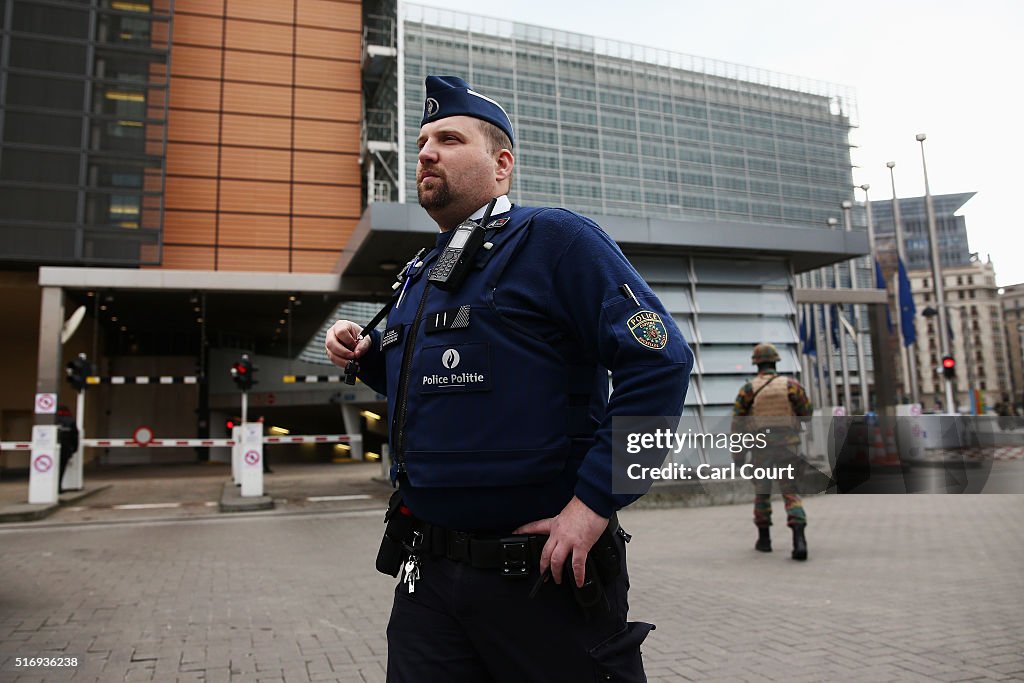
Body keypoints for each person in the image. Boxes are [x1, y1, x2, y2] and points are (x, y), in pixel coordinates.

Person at [325, 75, 693, 682]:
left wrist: (596, 503)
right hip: (430, 581)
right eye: (421, 142)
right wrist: (363, 354)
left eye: (448, 138)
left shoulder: (555, 241)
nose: (426, 152)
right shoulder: (422, 272)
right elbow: (432, 386)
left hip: (542, 579)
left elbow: (662, 361)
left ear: (501, 165)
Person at [731, 343, 812, 560]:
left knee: (762, 492)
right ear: (776, 361)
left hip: (761, 448)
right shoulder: (791, 385)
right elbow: (806, 413)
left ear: (756, 363)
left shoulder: (748, 389)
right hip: (788, 446)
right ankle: (799, 540)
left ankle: (764, 540)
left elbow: (738, 424)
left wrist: (738, 456)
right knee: (790, 491)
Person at [55, 405, 79, 494]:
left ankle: (51, 487)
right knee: (61, 468)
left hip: (53, 448)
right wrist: (75, 448)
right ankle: (58, 487)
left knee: (52, 468)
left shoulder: (54, 419)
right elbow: (75, 436)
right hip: (65, 448)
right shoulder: (71, 421)